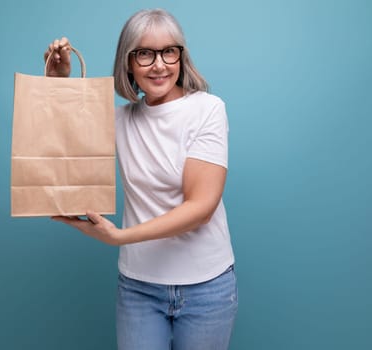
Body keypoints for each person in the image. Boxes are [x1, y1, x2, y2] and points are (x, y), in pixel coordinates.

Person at [45, 8, 237, 350]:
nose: (159, 64)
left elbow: (201, 208)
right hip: (139, 287)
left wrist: (121, 237)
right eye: (145, 53)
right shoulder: (119, 121)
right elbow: (62, 140)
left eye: (169, 51)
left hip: (207, 287)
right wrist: (59, 81)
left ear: (181, 56)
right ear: (128, 63)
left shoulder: (208, 109)